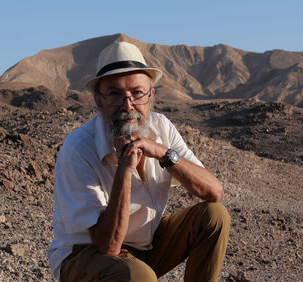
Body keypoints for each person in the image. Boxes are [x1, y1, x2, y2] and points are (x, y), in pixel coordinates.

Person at [48, 41, 230, 282]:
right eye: (114, 94)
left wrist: (164, 153)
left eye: (137, 92)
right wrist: (125, 167)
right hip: (84, 254)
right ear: (98, 100)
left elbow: (213, 191)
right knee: (137, 275)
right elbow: (108, 245)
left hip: (145, 245)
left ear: (151, 94)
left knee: (214, 216)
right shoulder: (79, 149)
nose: (128, 105)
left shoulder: (161, 127)